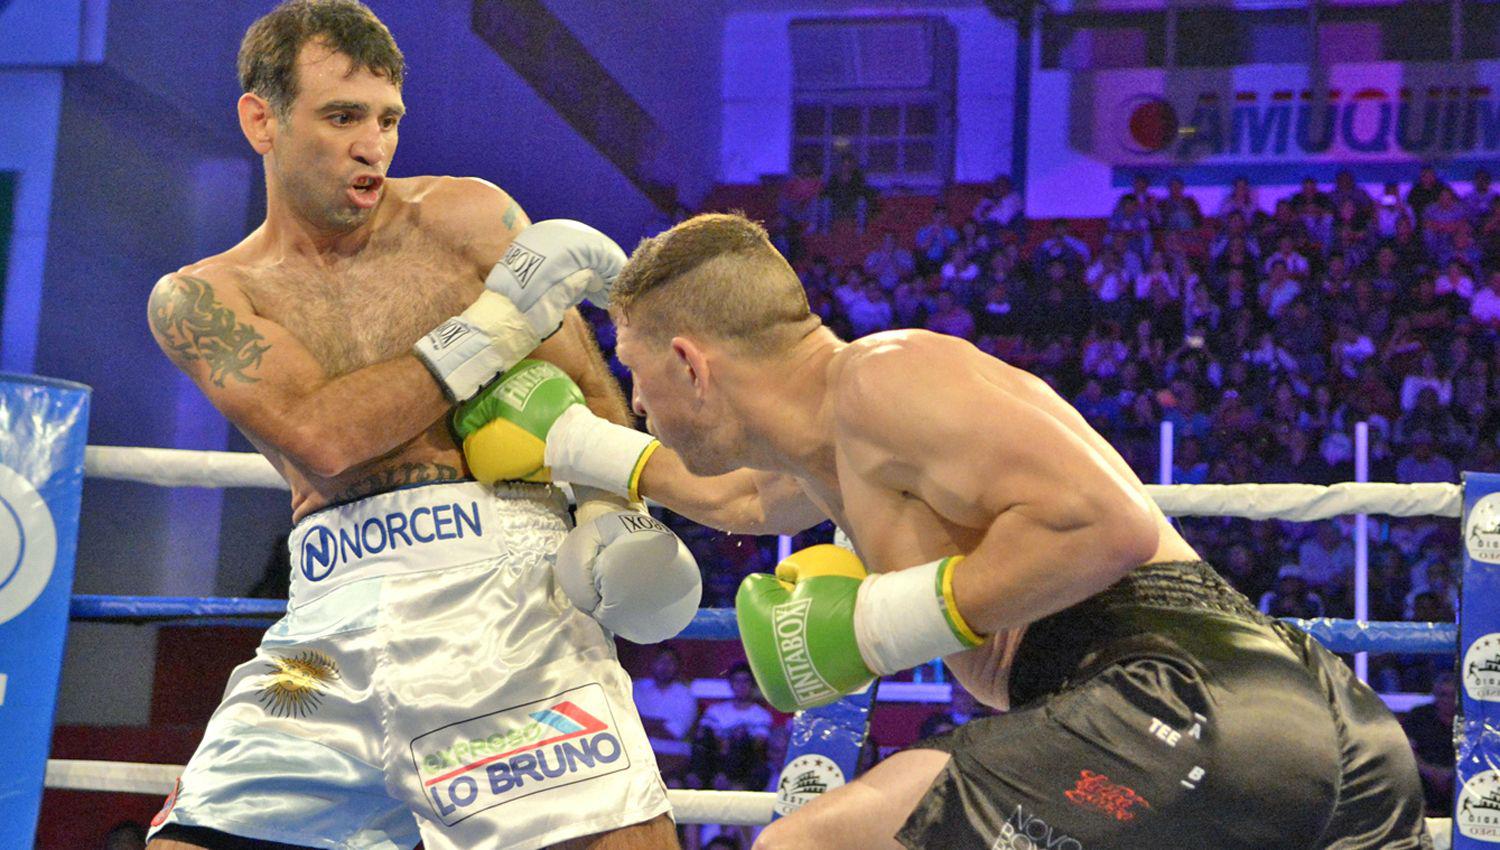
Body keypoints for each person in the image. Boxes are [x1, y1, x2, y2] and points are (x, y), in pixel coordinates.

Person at [476, 213, 1429, 848]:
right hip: (1280, 738)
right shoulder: (829, 445)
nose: (637, 404)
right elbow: (734, 501)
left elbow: (1110, 526)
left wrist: (882, 624)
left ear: (691, 363)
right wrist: (570, 441)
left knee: (812, 842)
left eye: (635, 376)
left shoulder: (889, 376)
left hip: (1187, 702)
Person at [144, 3, 691, 847]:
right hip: (325, 621)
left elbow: (584, 391)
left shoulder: (467, 219)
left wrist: (615, 517)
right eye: (341, 117)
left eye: (388, 118)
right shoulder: (205, 297)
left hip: (505, 591)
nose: (374, 144)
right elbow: (322, 436)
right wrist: (499, 324)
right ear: (262, 119)